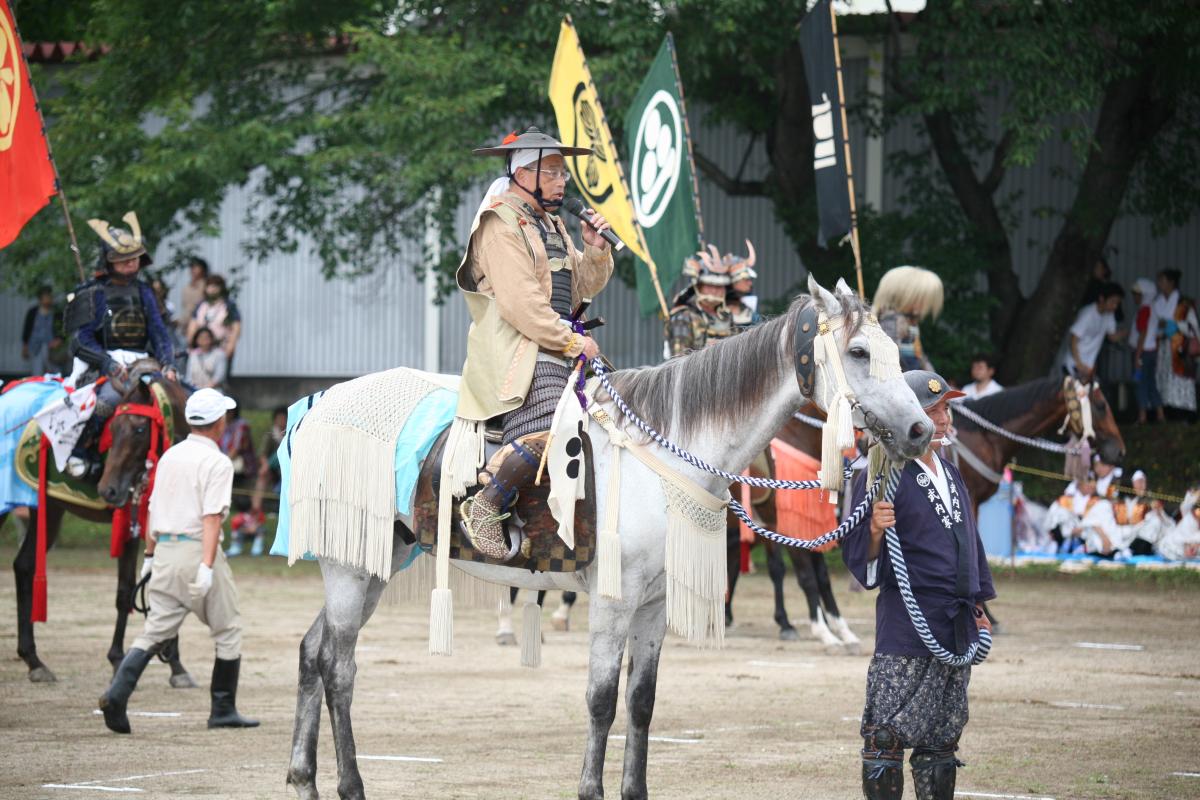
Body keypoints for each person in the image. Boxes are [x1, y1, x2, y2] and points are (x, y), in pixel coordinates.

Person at [455, 127, 614, 558]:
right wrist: (573, 343)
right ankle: (485, 507)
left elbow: (580, 289)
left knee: (618, 414)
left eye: (563, 173)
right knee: (554, 423)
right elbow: (522, 307)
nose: (563, 181)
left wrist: (596, 250)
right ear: (522, 173)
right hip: (519, 350)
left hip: (557, 345)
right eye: (553, 172)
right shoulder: (498, 225)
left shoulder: (553, 224)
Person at [843, 370, 994, 800]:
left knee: (941, 741)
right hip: (907, 628)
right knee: (886, 737)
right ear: (910, 416)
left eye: (945, 408)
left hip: (956, 624)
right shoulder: (880, 471)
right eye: (935, 409)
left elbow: (970, 543)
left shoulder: (951, 472)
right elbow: (861, 558)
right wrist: (873, 529)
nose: (945, 418)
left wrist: (979, 608)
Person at [98, 388, 258, 734]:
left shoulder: (170, 455)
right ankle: (222, 709)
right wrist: (205, 565)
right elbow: (212, 517)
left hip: (165, 552)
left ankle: (118, 694)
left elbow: (153, 508)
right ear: (219, 422)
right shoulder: (217, 462)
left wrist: (150, 556)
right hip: (196, 550)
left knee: (154, 631)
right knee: (228, 629)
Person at [65, 212, 177, 479]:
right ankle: (83, 454)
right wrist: (108, 363)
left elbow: (160, 334)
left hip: (144, 363)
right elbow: (80, 340)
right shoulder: (92, 292)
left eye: (134, 258)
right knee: (108, 400)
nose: (130, 263)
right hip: (105, 363)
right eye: (123, 259)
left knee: (178, 396)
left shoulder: (146, 292)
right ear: (109, 261)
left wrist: (169, 363)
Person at [665, 245, 734, 357]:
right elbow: (679, 362)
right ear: (698, 286)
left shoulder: (727, 316)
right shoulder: (684, 317)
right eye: (710, 285)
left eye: (720, 286)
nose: (715, 291)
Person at [872, 266, 943, 371]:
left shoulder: (910, 322)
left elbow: (918, 353)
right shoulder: (893, 321)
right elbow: (890, 353)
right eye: (921, 299)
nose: (924, 305)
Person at [1152, 269, 1198, 417]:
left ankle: (1185, 411)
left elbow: (1193, 326)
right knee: (1165, 377)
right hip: (1164, 347)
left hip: (1180, 347)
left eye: (1162, 280)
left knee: (1181, 379)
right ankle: (1168, 409)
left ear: (1171, 282)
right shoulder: (1157, 303)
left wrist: (1175, 325)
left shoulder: (1184, 303)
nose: (1159, 283)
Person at [1063, 282, 1125, 383]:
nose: (1115, 306)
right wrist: (1079, 364)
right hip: (1074, 366)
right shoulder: (1088, 314)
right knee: (1077, 398)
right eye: (1113, 302)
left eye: (1117, 303)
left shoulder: (1109, 315)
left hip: (1088, 367)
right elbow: (1073, 338)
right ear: (1101, 299)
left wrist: (1128, 333)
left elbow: (1112, 337)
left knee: (1087, 398)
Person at [187, 274, 242, 370]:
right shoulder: (201, 304)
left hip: (221, 347)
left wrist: (231, 346)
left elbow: (236, 327)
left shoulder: (228, 305)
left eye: (215, 286)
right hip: (201, 348)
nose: (212, 289)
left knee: (219, 378)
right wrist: (191, 343)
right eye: (209, 286)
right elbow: (193, 324)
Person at [1129, 278, 1164, 424]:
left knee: (1140, 384)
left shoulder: (1144, 310)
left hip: (1142, 352)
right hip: (1151, 352)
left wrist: (1137, 355)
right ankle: (1160, 415)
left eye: (1137, 294)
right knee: (1150, 383)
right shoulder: (1154, 308)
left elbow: (1142, 332)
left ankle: (1142, 417)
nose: (1135, 297)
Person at [21, 285, 62, 376]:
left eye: (49, 297)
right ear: (40, 299)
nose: (47, 300)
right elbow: (27, 329)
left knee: (54, 371)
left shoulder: (57, 312)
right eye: (45, 297)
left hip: (51, 348)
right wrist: (25, 346)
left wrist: (59, 339)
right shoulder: (33, 312)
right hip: (35, 346)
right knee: (37, 372)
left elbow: (62, 329)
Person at [724, 240, 761, 331]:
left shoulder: (750, 314)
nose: (750, 283)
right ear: (732, 281)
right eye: (746, 279)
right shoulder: (714, 312)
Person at [179, 256, 210, 335]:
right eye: (192, 267)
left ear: (203, 270)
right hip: (187, 327)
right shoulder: (186, 288)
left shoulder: (207, 286)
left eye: (196, 267)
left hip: (203, 327)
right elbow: (186, 308)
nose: (193, 270)